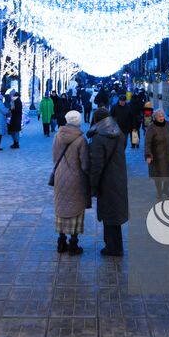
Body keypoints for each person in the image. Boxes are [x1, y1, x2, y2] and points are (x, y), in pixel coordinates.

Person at [87, 106, 129, 257]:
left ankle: (113, 247)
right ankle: (115, 245)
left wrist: (93, 184)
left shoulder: (99, 138)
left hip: (106, 180)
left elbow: (97, 164)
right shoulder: (119, 133)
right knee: (115, 212)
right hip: (119, 177)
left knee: (108, 213)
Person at [51, 110, 90, 254]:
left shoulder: (57, 136)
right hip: (76, 178)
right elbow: (84, 164)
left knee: (61, 207)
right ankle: (74, 243)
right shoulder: (81, 140)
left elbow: (55, 157)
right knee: (76, 209)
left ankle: (61, 241)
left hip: (60, 177)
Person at [143, 108, 169, 201]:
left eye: (163, 116)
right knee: (158, 175)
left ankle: (165, 189)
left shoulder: (167, 124)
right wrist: (148, 155)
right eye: (160, 116)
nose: (162, 117)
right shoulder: (151, 127)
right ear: (155, 117)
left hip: (168, 154)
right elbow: (147, 142)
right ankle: (159, 191)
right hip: (157, 156)